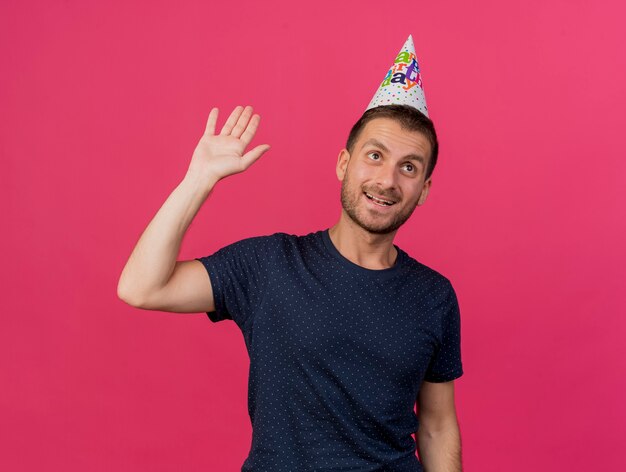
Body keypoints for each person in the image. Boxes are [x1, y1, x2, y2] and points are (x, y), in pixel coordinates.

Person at [118, 37, 463, 472]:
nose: (387, 179)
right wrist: (199, 179)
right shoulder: (270, 265)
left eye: (408, 167)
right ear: (344, 163)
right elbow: (141, 287)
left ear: (424, 190)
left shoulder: (434, 295)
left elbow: (436, 425)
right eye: (374, 156)